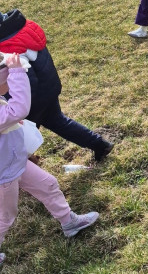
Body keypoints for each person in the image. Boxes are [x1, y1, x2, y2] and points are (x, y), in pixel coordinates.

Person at [0, 53, 99, 266]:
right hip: (4, 174)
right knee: (6, 216)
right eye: (7, 81)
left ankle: (69, 222)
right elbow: (19, 109)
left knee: (48, 184)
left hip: (14, 162)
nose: (10, 84)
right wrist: (17, 71)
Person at [0, 9, 114, 161]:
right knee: (59, 122)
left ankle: (22, 173)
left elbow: (28, 82)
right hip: (48, 88)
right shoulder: (23, 31)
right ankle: (99, 144)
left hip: (30, 102)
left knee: (19, 137)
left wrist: (17, 105)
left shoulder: (8, 49)